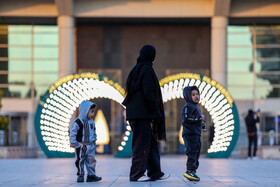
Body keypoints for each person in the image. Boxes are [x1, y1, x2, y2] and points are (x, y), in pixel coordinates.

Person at [122, 44, 169, 182]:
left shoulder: (136, 69)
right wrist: (155, 110)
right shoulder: (146, 70)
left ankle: (155, 172)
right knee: (142, 144)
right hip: (141, 114)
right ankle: (136, 174)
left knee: (150, 142)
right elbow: (149, 93)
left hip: (137, 113)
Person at [69, 100, 102, 182]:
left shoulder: (92, 122)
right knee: (80, 160)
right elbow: (73, 132)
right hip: (80, 145)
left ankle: (91, 175)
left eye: (93, 112)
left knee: (91, 160)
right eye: (91, 112)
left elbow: (94, 132)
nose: (93, 114)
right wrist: (73, 142)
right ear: (85, 110)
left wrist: (94, 140)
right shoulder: (78, 122)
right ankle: (80, 175)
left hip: (90, 145)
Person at [181, 86, 206, 181]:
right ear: (188, 96)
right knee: (192, 152)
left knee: (196, 151)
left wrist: (202, 124)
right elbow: (187, 118)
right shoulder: (188, 106)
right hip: (190, 134)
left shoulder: (196, 107)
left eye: (197, 94)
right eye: (193, 94)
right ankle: (190, 171)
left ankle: (193, 171)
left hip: (196, 134)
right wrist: (199, 119)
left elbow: (195, 120)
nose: (196, 96)